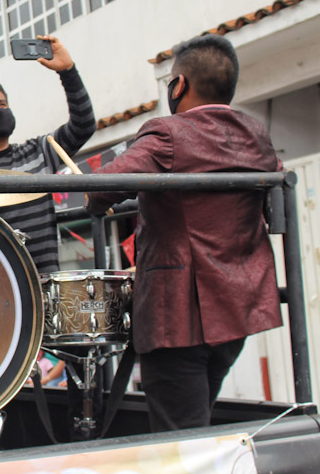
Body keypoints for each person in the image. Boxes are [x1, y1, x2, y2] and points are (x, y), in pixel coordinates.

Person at [86, 34, 282, 432]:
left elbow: (100, 190)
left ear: (179, 85)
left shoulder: (168, 134)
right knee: (196, 421)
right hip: (237, 309)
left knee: (181, 436)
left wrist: (92, 196)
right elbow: (274, 208)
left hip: (178, 315)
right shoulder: (257, 136)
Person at [0, 36, 96, 274]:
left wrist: (68, 71)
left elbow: (84, 125)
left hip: (45, 283)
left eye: (2, 103)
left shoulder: (40, 150)